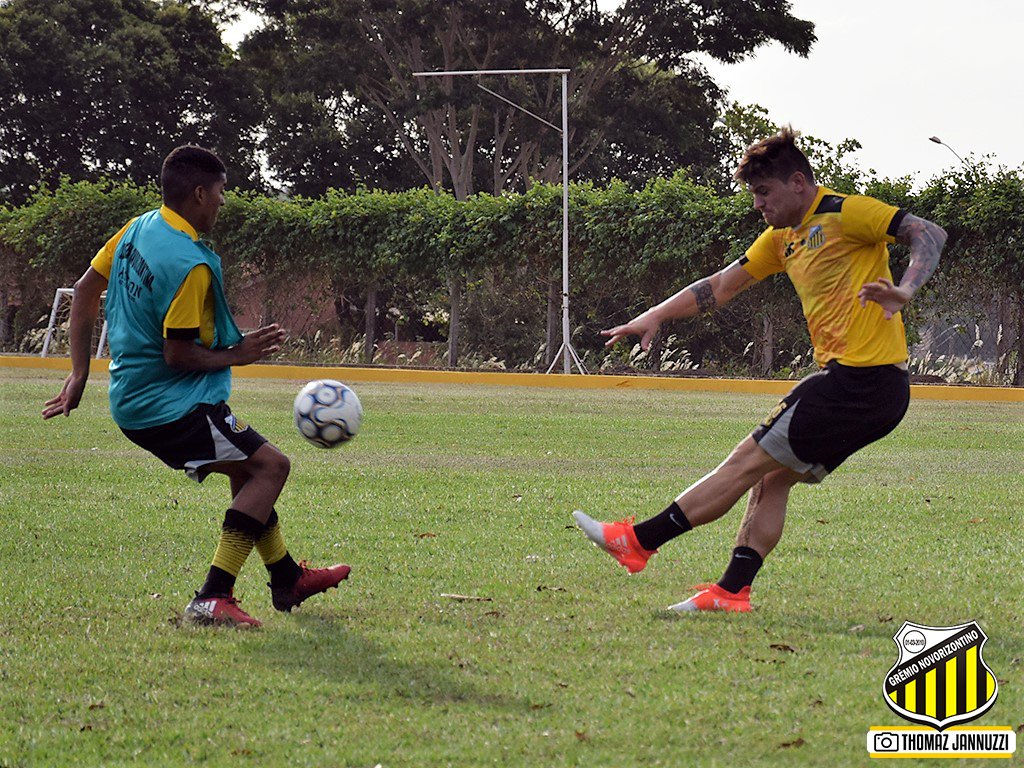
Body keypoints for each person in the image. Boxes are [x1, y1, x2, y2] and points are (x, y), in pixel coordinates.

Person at [573, 127, 947, 612]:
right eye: (754, 194)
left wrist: (906, 289)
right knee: (772, 478)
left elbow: (928, 233)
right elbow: (720, 286)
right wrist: (657, 314)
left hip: (860, 382)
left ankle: (638, 541)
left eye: (763, 192)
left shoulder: (846, 211)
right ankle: (731, 592)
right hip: (876, 392)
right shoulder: (780, 240)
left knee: (744, 463)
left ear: (797, 182)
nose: (758, 205)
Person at [42, 145, 350, 628]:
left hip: (132, 395)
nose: (224, 202)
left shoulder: (139, 227)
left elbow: (84, 290)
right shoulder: (190, 264)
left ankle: (287, 577)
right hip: (169, 405)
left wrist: (80, 372)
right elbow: (178, 354)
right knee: (272, 466)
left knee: (247, 474)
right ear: (201, 193)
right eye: (222, 192)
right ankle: (212, 596)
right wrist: (239, 354)